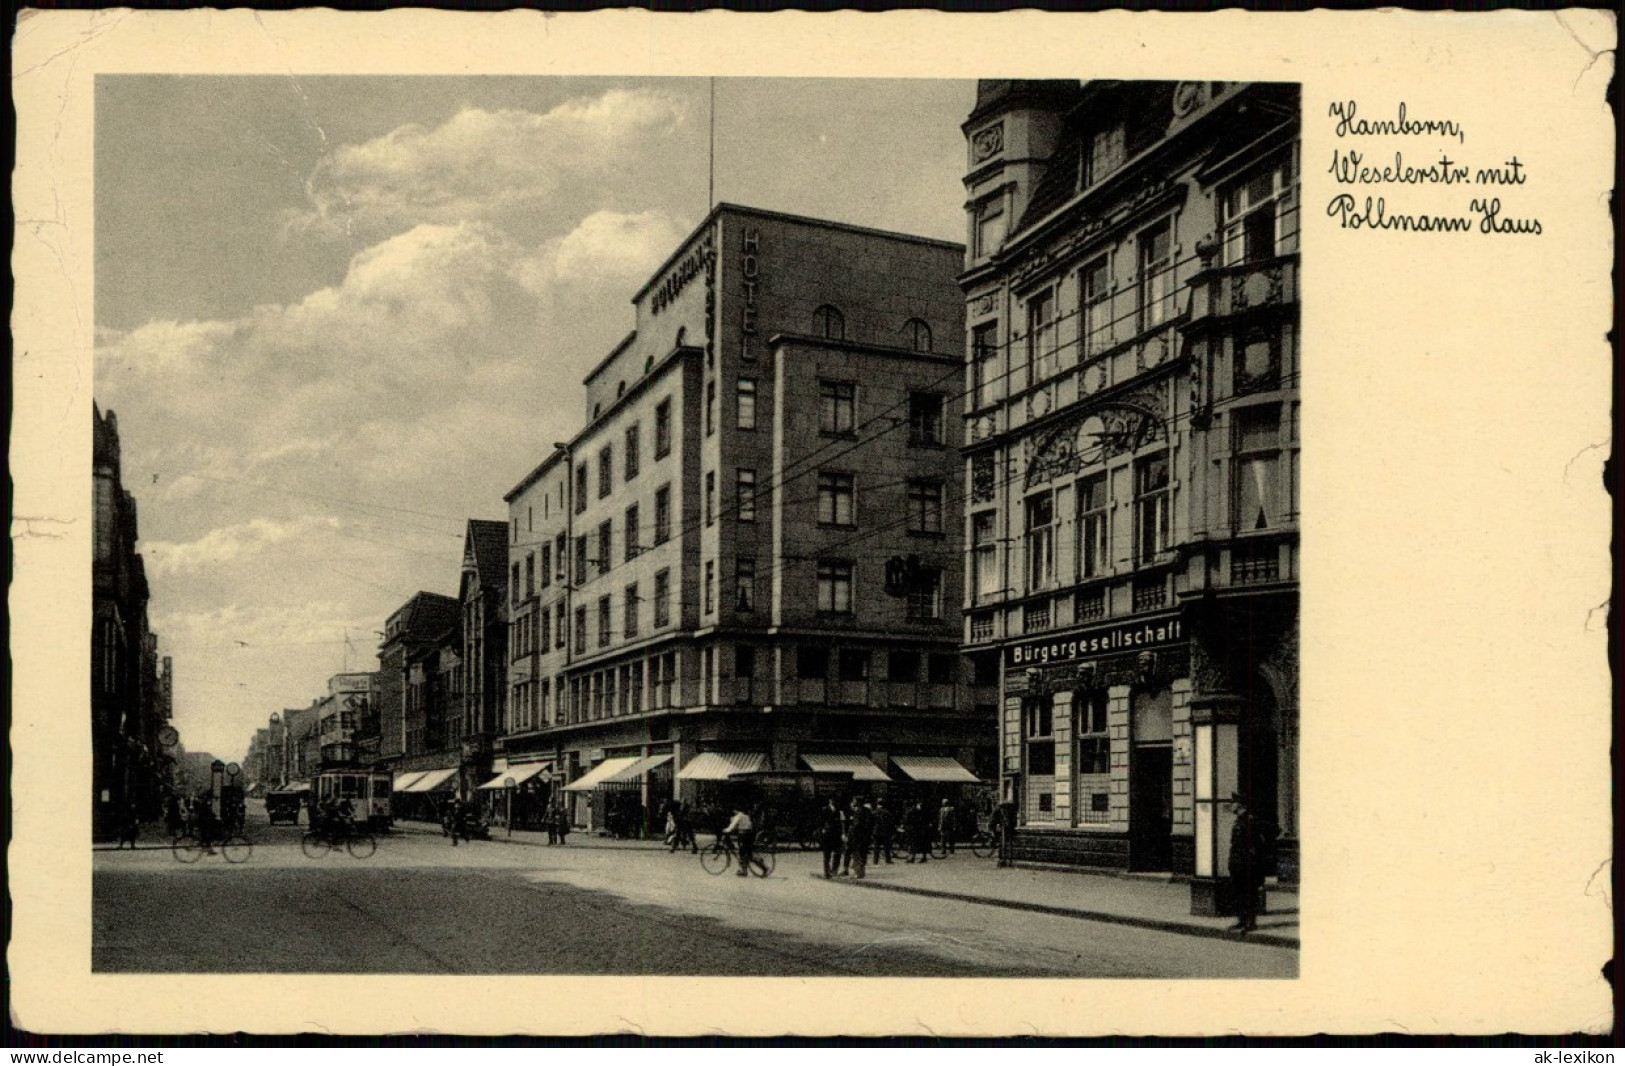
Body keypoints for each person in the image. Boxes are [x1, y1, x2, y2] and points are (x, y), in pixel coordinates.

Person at [1227, 794, 1266, 934]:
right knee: (1239, 893)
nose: (1231, 805)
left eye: (1233, 803)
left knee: (1249, 893)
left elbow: (1256, 845)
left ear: (1240, 805)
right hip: (1238, 863)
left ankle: (1251, 922)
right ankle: (1242, 919)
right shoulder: (1239, 820)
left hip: (1247, 865)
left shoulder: (1249, 821)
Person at [723, 806, 757, 877]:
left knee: (742, 853)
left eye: (734, 810)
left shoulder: (738, 816)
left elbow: (732, 826)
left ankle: (744, 871)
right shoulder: (745, 816)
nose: (733, 812)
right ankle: (763, 868)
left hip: (743, 836)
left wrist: (726, 830)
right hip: (749, 835)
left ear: (736, 810)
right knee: (746, 854)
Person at [817, 798, 846, 879]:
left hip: (836, 835)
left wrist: (843, 833)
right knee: (827, 855)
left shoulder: (839, 810)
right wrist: (822, 830)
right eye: (833, 800)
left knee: (837, 853)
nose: (835, 801)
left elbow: (842, 822)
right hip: (827, 835)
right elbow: (820, 821)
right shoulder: (824, 809)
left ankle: (834, 870)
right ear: (830, 800)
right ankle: (826, 872)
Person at [845, 799, 873, 879]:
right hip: (865, 836)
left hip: (857, 837)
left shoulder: (858, 812)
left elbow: (856, 825)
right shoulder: (867, 811)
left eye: (853, 801)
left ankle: (858, 873)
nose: (852, 802)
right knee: (862, 854)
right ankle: (861, 872)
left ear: (857, 802)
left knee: (856, 855)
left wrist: (850, 830)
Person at [871, 799, 896, 866]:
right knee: (886, 846)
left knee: (876, 847)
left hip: (876, 831)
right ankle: (888, 859)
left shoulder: (874, 812)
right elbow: (891, 822)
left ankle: (875, 860)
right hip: (885, 831)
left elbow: (871, 822)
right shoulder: (887, 812)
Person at [993, 799, 1018, 867]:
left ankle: (1003, 860)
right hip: (1006, 829)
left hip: (1005, 829)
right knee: (1006, 844)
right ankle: (1006, 860)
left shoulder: (1002, 811)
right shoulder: (1006, 811)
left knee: (1003, 844)